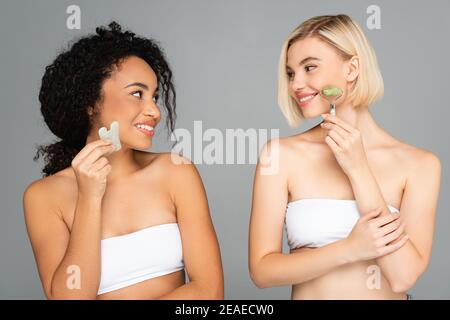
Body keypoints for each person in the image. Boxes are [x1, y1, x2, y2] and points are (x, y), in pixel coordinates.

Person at [23, 22, 223, 300]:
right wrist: (89, 198)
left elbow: (209, 291)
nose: (154, 111)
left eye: (154, 96)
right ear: (91, 103)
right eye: (137, 94)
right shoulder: (43, 197)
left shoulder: (175, 172)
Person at [249, 14, 441, 299]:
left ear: (351, 69)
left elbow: (402, 277)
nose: (295, 85)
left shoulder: (420, 165)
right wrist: (349, 249)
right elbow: (262, 271)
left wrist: (359, 169)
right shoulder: (280, 155)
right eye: (291, 73)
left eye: (309, 68)